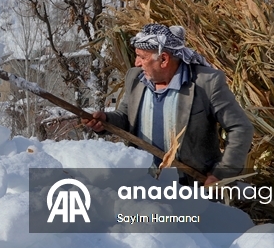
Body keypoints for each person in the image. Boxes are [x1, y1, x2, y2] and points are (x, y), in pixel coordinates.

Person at [85, 23, 253, 185]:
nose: (137, 63)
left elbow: (240, 128)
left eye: (142, 57)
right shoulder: (135, 78)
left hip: (190, 187)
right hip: (144, 183)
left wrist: (222, 173)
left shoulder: (206, 83)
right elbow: (125, 116)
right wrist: (106, 120)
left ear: (164, 59)